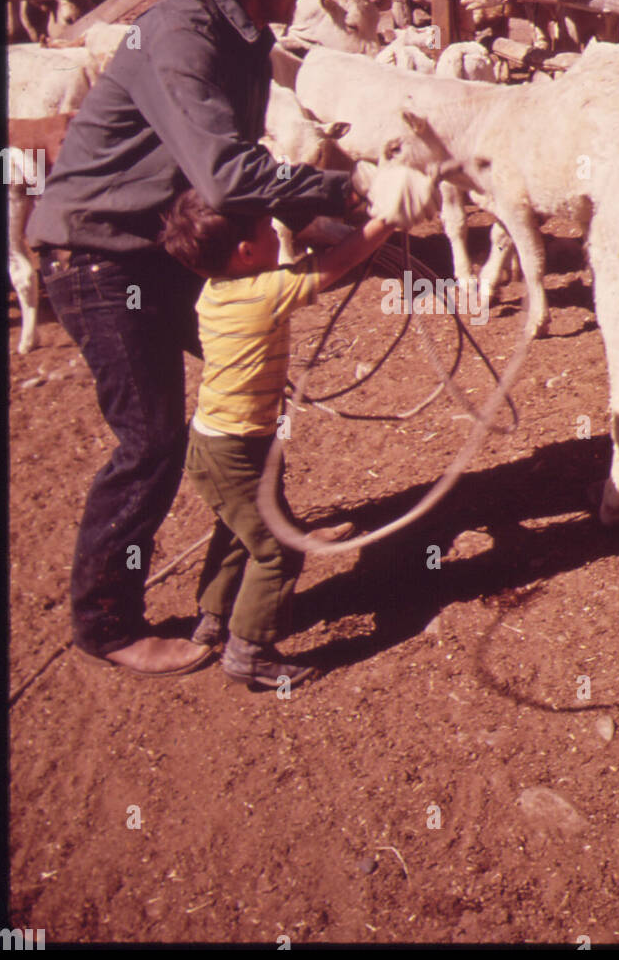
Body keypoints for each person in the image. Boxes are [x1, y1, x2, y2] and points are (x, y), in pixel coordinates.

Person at [26, 0, 369, 676]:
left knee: (244, 384)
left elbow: (233, 180)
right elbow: (227, 178)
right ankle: (106, 623)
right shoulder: (183, 37)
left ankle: (265, 536)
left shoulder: (239, 40)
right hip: (100, 254)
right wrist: (347, 191)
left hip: (158, 248)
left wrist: (326, 225)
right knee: (150, 442)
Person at [159, 165, 437, 690]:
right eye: (269, 230)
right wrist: (385, 220)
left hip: (220, 443)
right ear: (246, 253)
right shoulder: (265, 293)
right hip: (235, 447)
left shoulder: (215, 293)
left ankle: (214, 617)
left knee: (239, 530)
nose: (277, 236)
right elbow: (337, 262)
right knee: (278, 548)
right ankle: (249, 648)